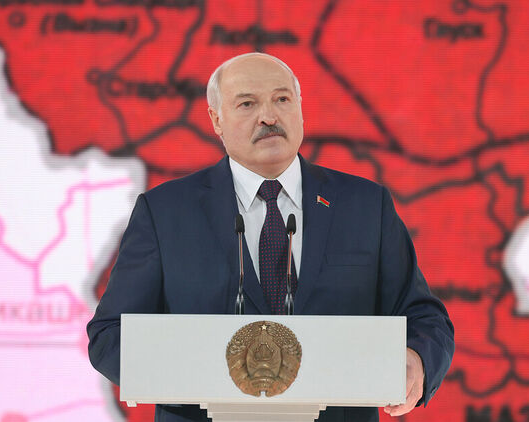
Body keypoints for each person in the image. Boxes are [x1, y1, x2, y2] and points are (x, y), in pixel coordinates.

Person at [87, 52, 455, 422]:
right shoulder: (165, 212)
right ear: (216, 120)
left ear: (300, 110)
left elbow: (423, 316)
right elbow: (110, 335)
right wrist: (196, 372)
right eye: (247, 104)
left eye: (282, 99)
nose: (268, 116)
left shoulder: (364, 205)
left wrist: (418, 360)